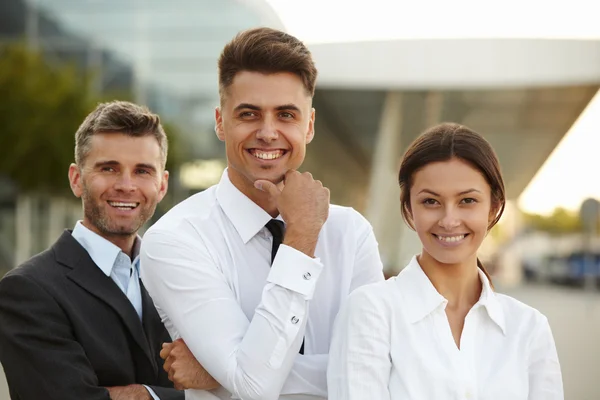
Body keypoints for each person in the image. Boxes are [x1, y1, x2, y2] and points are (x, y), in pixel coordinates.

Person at [139, 27, 384, 400]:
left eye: (286, 114)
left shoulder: (351, 232)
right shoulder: (175, 238)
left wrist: (223, 375)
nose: (268, 133)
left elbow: (382, 372)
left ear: (309, 125)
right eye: (249, 114)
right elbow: (255, 387)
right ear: (221, 121)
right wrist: (301, 237)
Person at [327, 122, 564, 399]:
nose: (449, 220)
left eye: (467, 201)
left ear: (494, 207)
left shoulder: (529, 328)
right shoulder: (371, 312)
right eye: (431, 202)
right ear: (409, 209)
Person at [0, 101, 192, 400]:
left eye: (142, 171)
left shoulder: (180, 276)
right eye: (109, 169)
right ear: (77, 179)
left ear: (162, 185)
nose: (127, 185)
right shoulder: (26, 290)